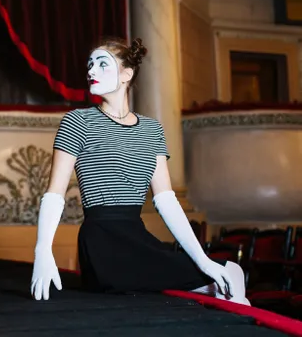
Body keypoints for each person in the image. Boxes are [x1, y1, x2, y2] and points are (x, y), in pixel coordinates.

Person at [30, 37, 250, 305]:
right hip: (102, 242)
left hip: (139, 237)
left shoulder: (152, 129)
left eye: (102, 64)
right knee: (227, 282)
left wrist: (202, 259)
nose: (91, 71)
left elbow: (166, 200)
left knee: (232, 273)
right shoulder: (78, 121)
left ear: (127, 74)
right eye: (89, 65)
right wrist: (43, 250)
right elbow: (55, 194)